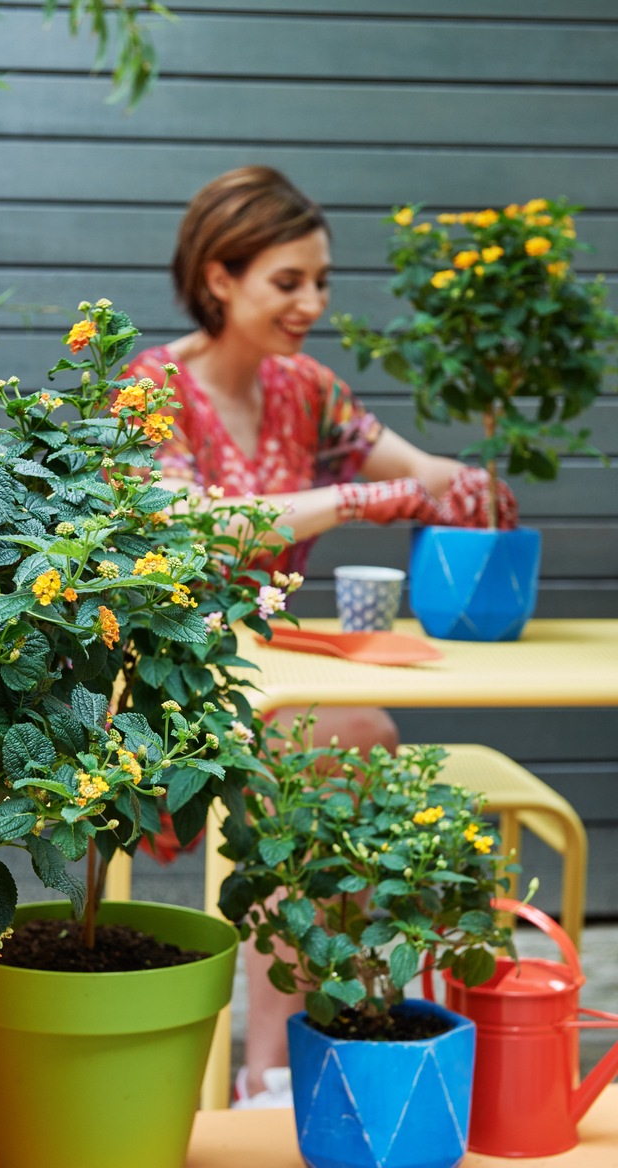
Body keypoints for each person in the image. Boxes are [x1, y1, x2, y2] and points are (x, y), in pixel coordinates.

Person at [125, 165, 517, 1105]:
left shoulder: (306, 390)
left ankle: (301, 1047)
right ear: (219, 277)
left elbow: (413, 466)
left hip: (271, 676)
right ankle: (278, 1060)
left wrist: (457, 481)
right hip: (168, 684)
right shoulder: (152, 385)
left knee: (352, 740)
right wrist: (355, 497)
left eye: (322, 282)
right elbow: (196, 523)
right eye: (288, 281)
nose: (313, 302)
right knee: (341, 744)